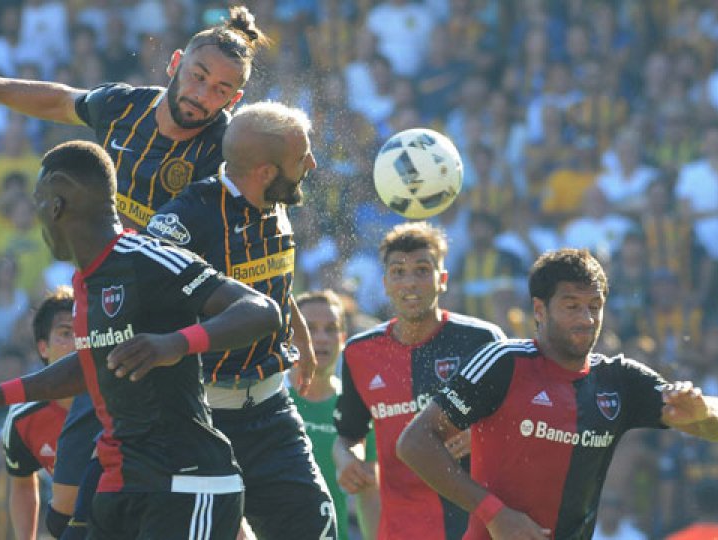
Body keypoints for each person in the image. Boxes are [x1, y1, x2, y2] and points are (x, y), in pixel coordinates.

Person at [0, 140, 283, 540]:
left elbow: (261, 310)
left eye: (38, 202)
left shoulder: (143, 257)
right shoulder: (86, 282)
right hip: (122, 480)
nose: (38, 216)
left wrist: (174, 344)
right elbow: (93, 363)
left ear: (56, 204)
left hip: (184, 481)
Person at [396, 248, 718, 540]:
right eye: (572, 306)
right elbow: (414, 442)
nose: (587, 318)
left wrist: (704, 412)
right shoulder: (505, 362)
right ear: (539, 310)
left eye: (595, 305)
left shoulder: (619, 379)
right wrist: (494, 513)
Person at [139, 101, 333, 538]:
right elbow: (143, 309)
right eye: (302, 158)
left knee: (315, 524)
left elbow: (267, 280)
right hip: (199, 421)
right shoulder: (183, 222)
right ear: (265, 171)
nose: (311, 165)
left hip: (271, 408)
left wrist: (298, 330)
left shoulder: (275, 198)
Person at [0, 5, 270, 230]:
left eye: (220, 90)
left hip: (178, 312)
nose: (202, 95)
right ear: (175, 63)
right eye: (198, 76)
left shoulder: (228, 152)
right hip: (103, 289)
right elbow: (59, 101)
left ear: (234, 100)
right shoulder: (124, 106)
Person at [333, 222, 507, 539]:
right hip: (399, 528)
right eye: (398, 272)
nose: (410, 282)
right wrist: (348, 459)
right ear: (385, 283)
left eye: (422, 270)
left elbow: (516, 420)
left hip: (474, 525)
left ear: (442, 279)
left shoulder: (482, 340)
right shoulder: (360, 352)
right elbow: (347, 435)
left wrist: (482, 436)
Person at [288, 290, 380, 540]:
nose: (321, 338)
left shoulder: (357, 408)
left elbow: (370, 494)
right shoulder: (267, 398)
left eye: (330, 329)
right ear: (290, 336)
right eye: (310, 328)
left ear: (343, 338)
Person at [0, 286, 75, 540]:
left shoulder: (120, 401)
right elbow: (22, 483)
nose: (77, 343)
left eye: (84, 333)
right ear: (43, 348)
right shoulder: (23, 418)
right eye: (66, 334)